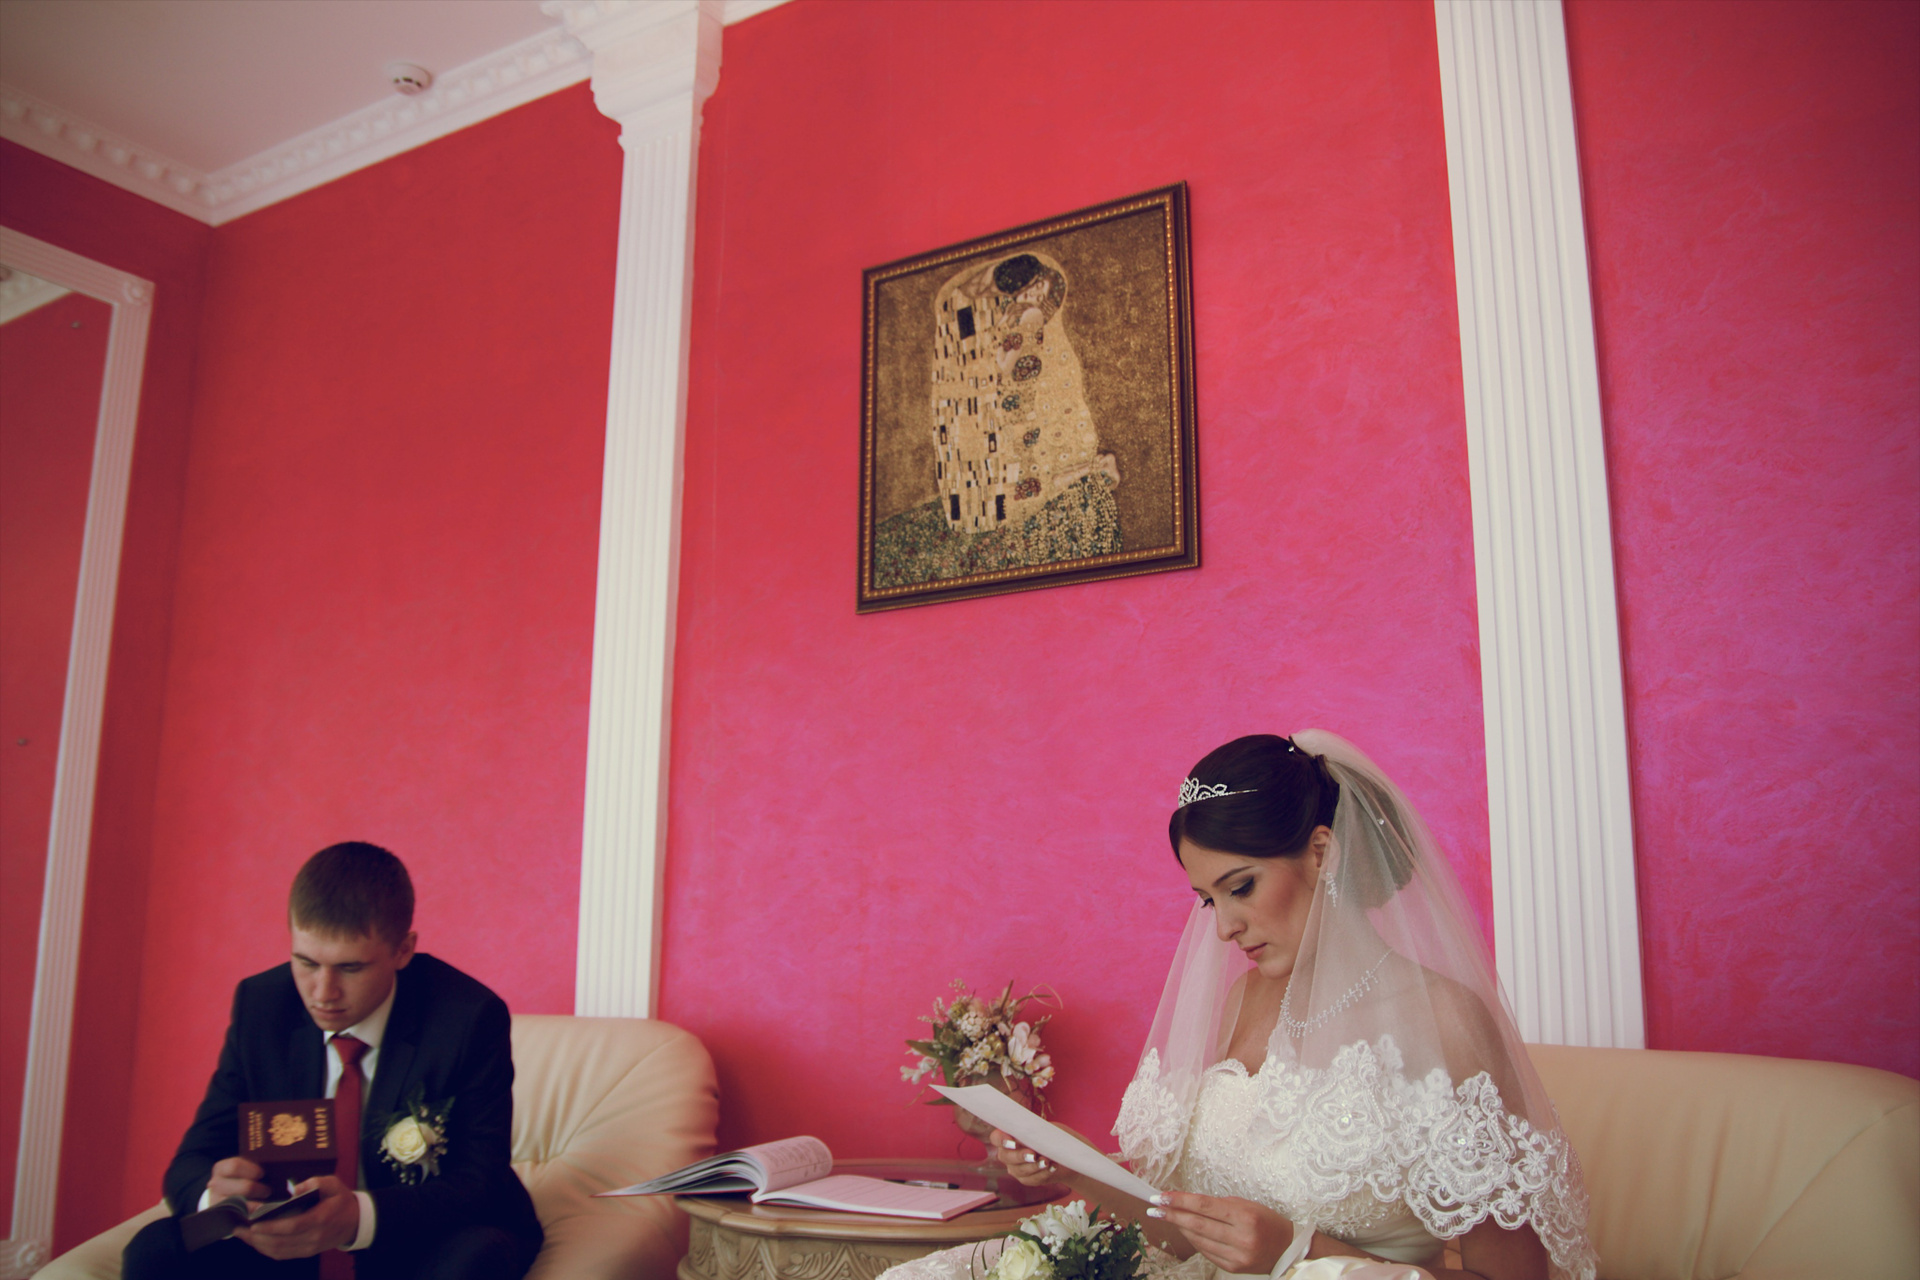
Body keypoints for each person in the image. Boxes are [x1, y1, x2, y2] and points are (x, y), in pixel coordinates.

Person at [898, 732, 1597, 1280]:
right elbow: (1193, 1238)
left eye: (1241, 887)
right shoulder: (1243, 1000)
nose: (1224, 928)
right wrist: (1075, 1165)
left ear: (1322, 853)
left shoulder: (1444, 1020)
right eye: (1208, 900)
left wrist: (1300, 1250)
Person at [122, 842, 543, 1280]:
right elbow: (190, 1162)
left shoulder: (468, 1017)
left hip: (410, 1238)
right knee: (154, 1249)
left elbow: (479, 1182)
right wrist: (220, 1200)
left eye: (350, 968)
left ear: (403, 950)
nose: (323, 993)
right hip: (287, 1246)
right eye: (305, 962)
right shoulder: (261, 1005)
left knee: (477, 1258)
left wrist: (358, 1218)